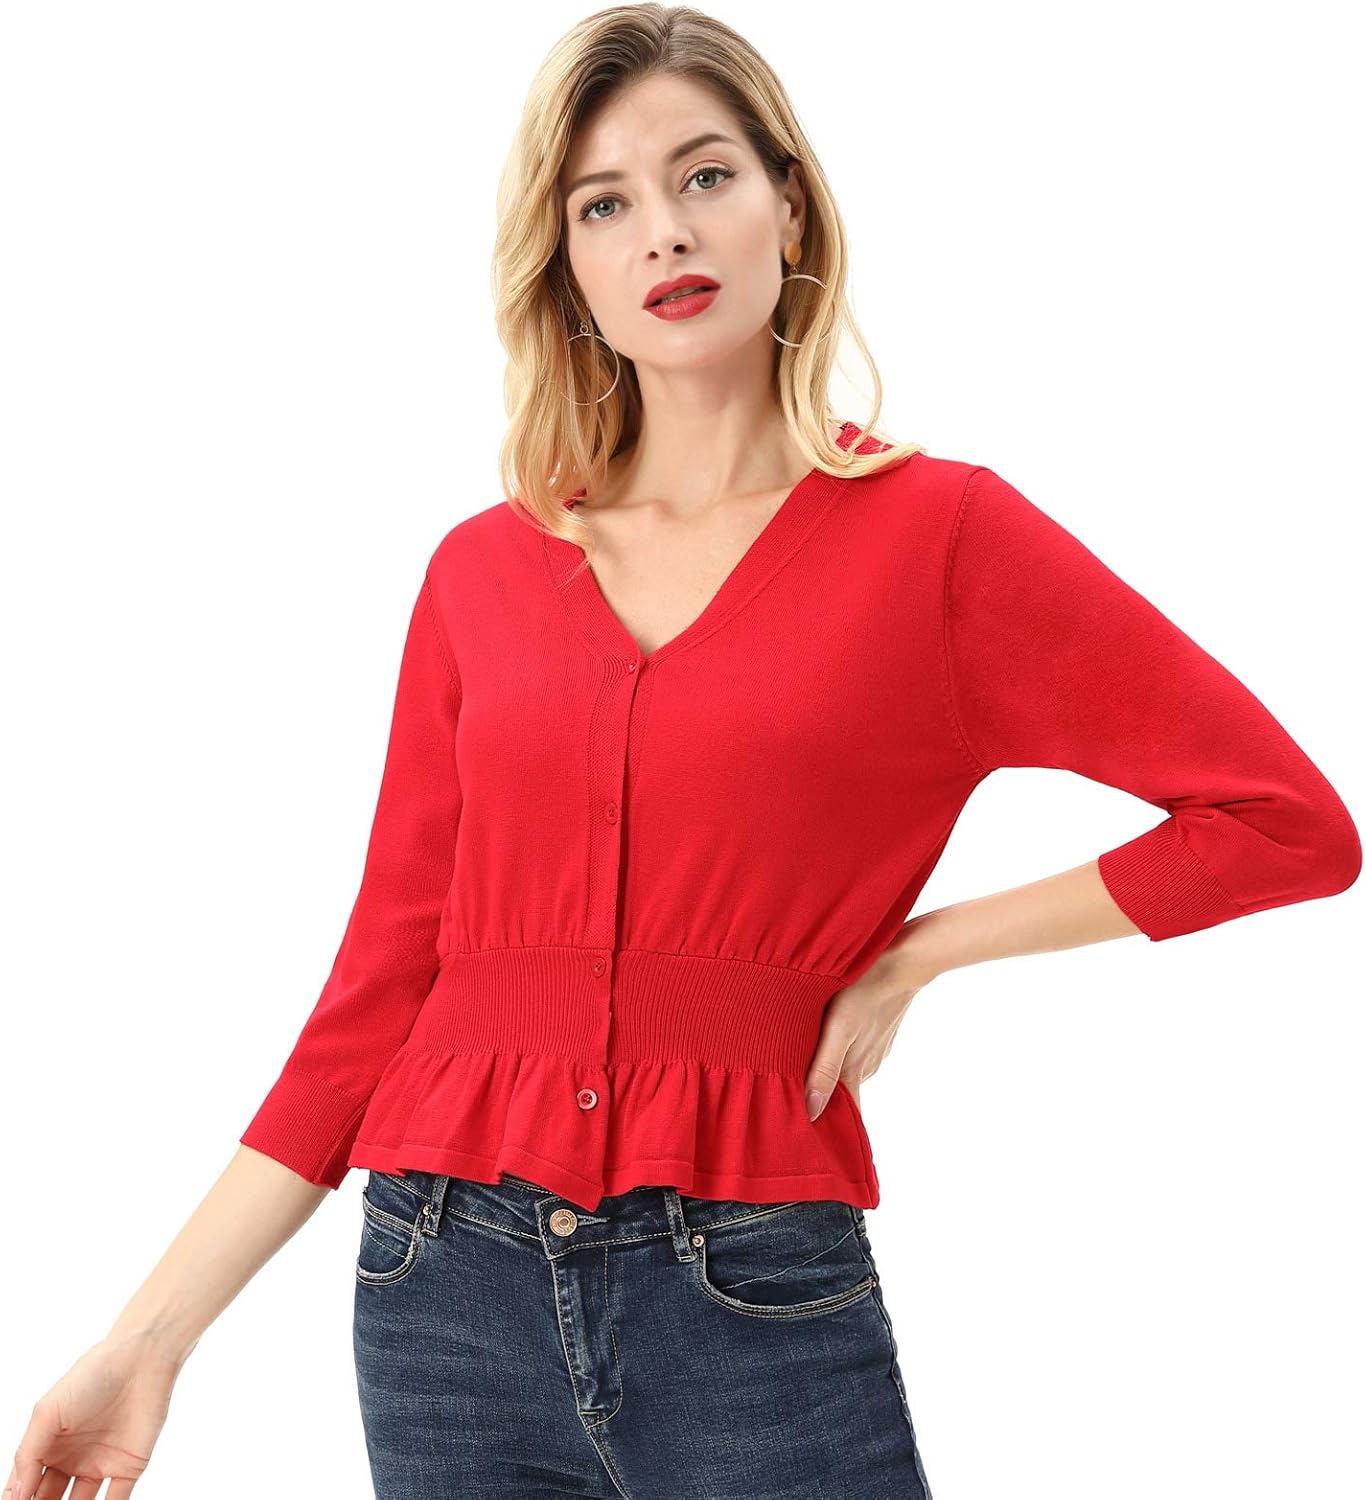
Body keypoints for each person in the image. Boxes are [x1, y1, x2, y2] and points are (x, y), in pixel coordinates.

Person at [7, 5, 1360, 1498]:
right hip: (440, 1290)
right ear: (567, 267)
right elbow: (381, 987)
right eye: (605, 204)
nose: (663, 230)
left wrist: (918, 951)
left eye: (704, 175)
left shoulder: (942, 541)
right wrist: (146, 1342)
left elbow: (1284, 825)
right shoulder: (482, 572)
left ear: (791, 204)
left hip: (747, 1288)